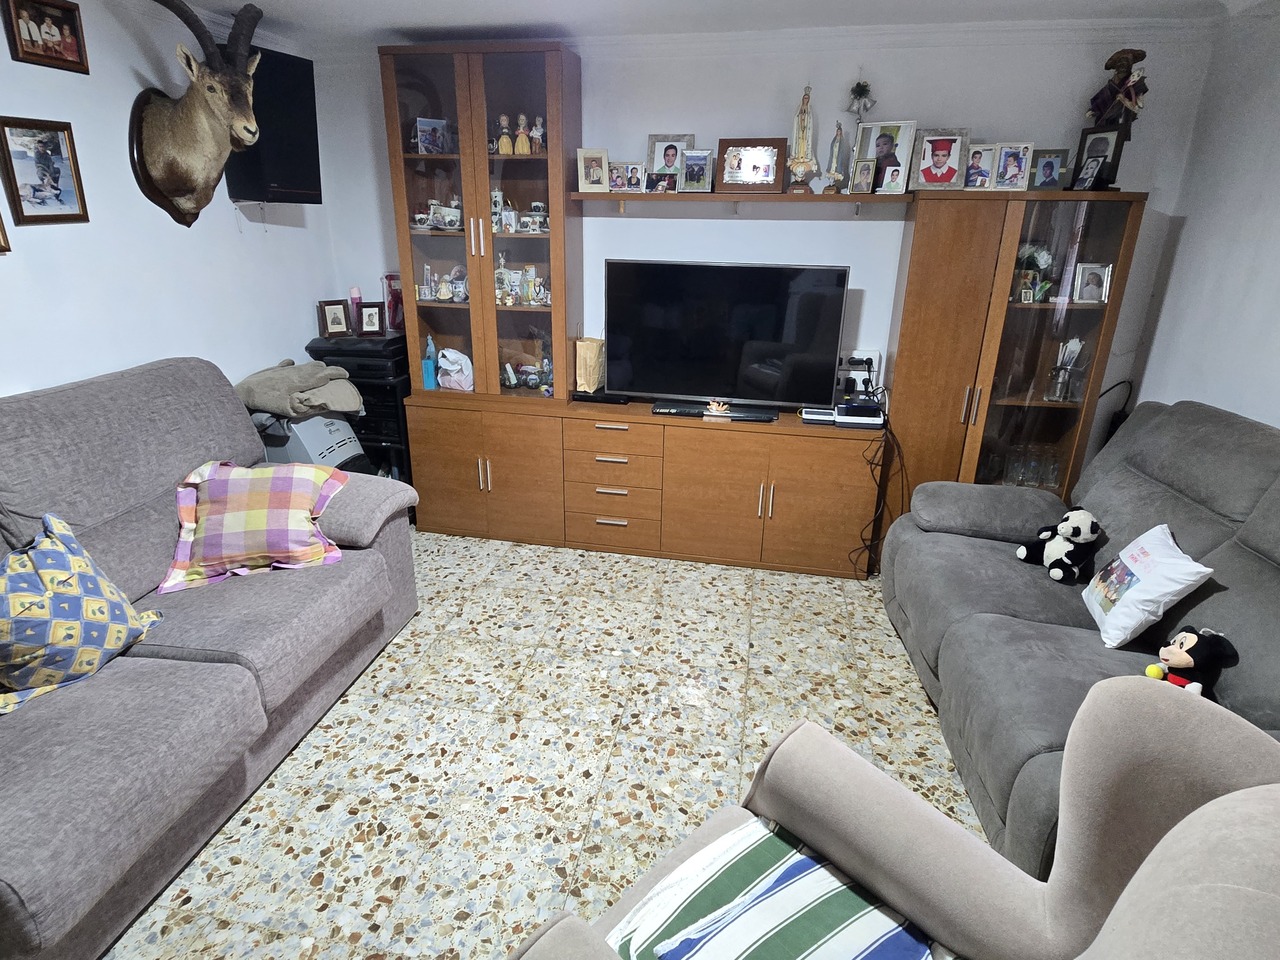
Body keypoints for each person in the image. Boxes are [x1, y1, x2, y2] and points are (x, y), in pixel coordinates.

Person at [790, 85, 817, 179]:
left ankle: (804, 157)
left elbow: (810, 121)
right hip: (799, 132)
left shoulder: (809, 110)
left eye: (807, 98)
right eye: (804, 98)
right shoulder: (799, 108)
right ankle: (797, 156)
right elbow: (796, 118)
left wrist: (806, 117)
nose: (805, 100)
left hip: (806, 132)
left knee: (804, 144)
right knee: (799, 144)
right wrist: (800, 116)